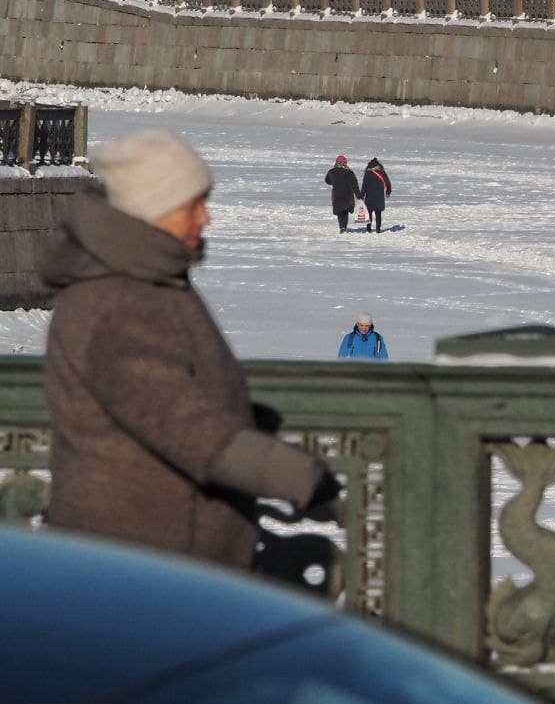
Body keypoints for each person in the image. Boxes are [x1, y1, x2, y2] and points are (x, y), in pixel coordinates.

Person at [39, 130, 342, 569]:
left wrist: (245, 420)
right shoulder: (117, 303)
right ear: (152, 213)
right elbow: (183, 426)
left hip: (160, 554)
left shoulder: (150, 281)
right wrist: (303, 477)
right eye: (192, 206)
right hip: (140, 565)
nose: (206, 219)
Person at [326, 154, 358, 233]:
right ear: (345, 163)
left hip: (337, 195)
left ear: (336, 162)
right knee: (345, 211)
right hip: (348, 195)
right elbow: (355, 185)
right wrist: (359, 196)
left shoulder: (331, 171)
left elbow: (327, 181)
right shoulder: (350, 172)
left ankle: (342, 227)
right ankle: (344, 226)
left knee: (340, 211)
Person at [360, 157, 392, 233]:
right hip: (379, 197)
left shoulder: (367, 174)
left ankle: (368, 228)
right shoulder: (382, 173)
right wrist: (388, 192)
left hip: (369, 197)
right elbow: (388, 183)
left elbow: (364, 186)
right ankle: (378, 229)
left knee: (369, 212)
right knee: (378, 213)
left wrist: (361, 195)